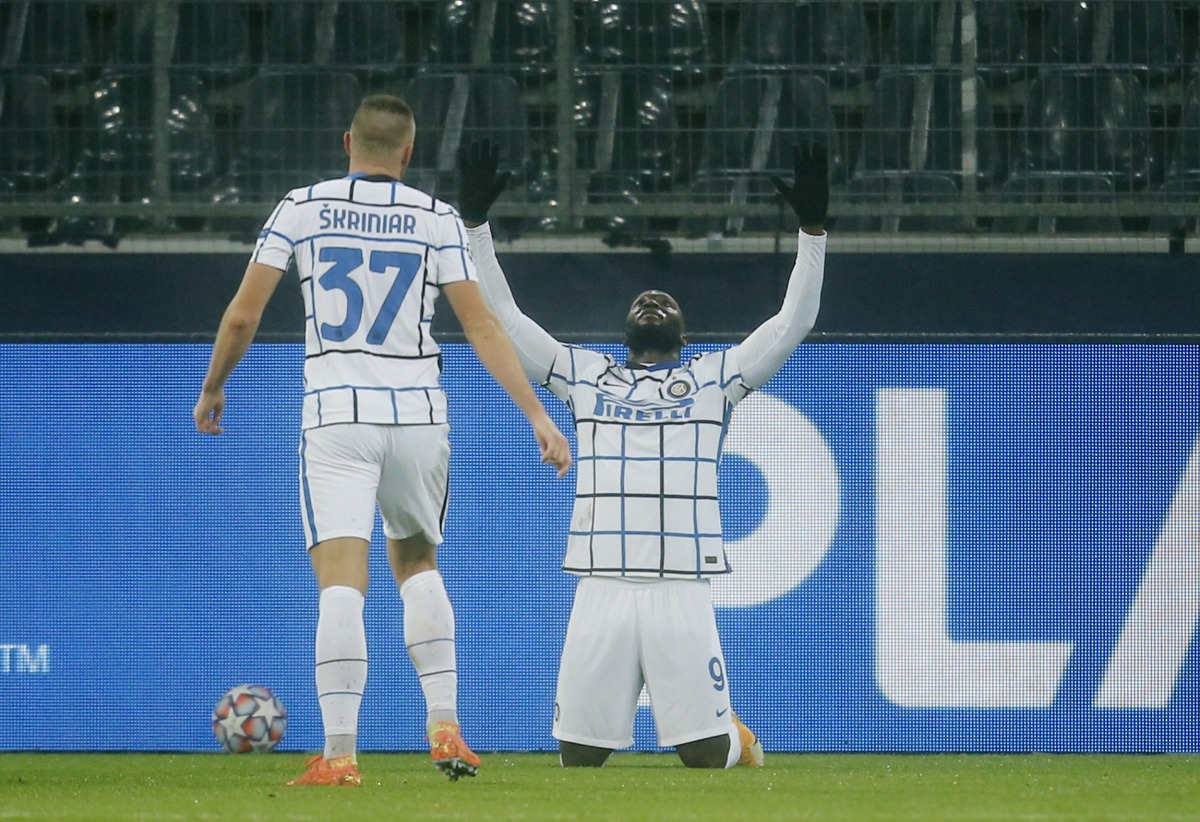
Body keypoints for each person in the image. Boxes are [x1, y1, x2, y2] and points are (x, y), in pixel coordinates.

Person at [193, 96, 572, 787]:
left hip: (338, 414)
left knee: (342, 585)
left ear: (347, 142)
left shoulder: (300, 207)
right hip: (421, 416)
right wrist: (539, 417)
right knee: (420, 567)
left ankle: (340, 754)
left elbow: (244, 314)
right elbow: (484, 325)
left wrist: (215, 385)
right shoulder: (437, 218)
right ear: (407, 152)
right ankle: (446, 722)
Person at [455, 139, 827, 768]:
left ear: (681, 338)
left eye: (666, 304)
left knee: (705, 757)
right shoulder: (583, 375)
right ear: (625, 331)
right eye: (642, 302)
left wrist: (812, 233)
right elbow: (504, 317)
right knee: (579, 757)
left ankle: (732, 734)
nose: (653, 301)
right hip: (600, 581)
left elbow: (793, 322)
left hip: (681, 583)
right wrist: (474, 229)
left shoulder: (716, 380)